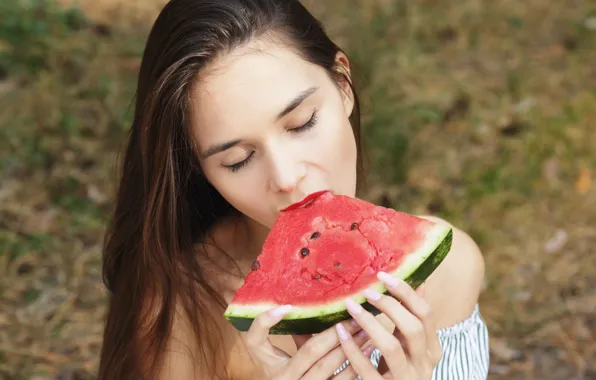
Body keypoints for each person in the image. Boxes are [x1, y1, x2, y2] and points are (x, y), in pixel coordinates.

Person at [97, 0, 490, 379]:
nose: (286, 177)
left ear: (343, 85)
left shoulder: (450, 271)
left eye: (302, 123)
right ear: (200, 172)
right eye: (236, 160)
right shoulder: (183, 310)